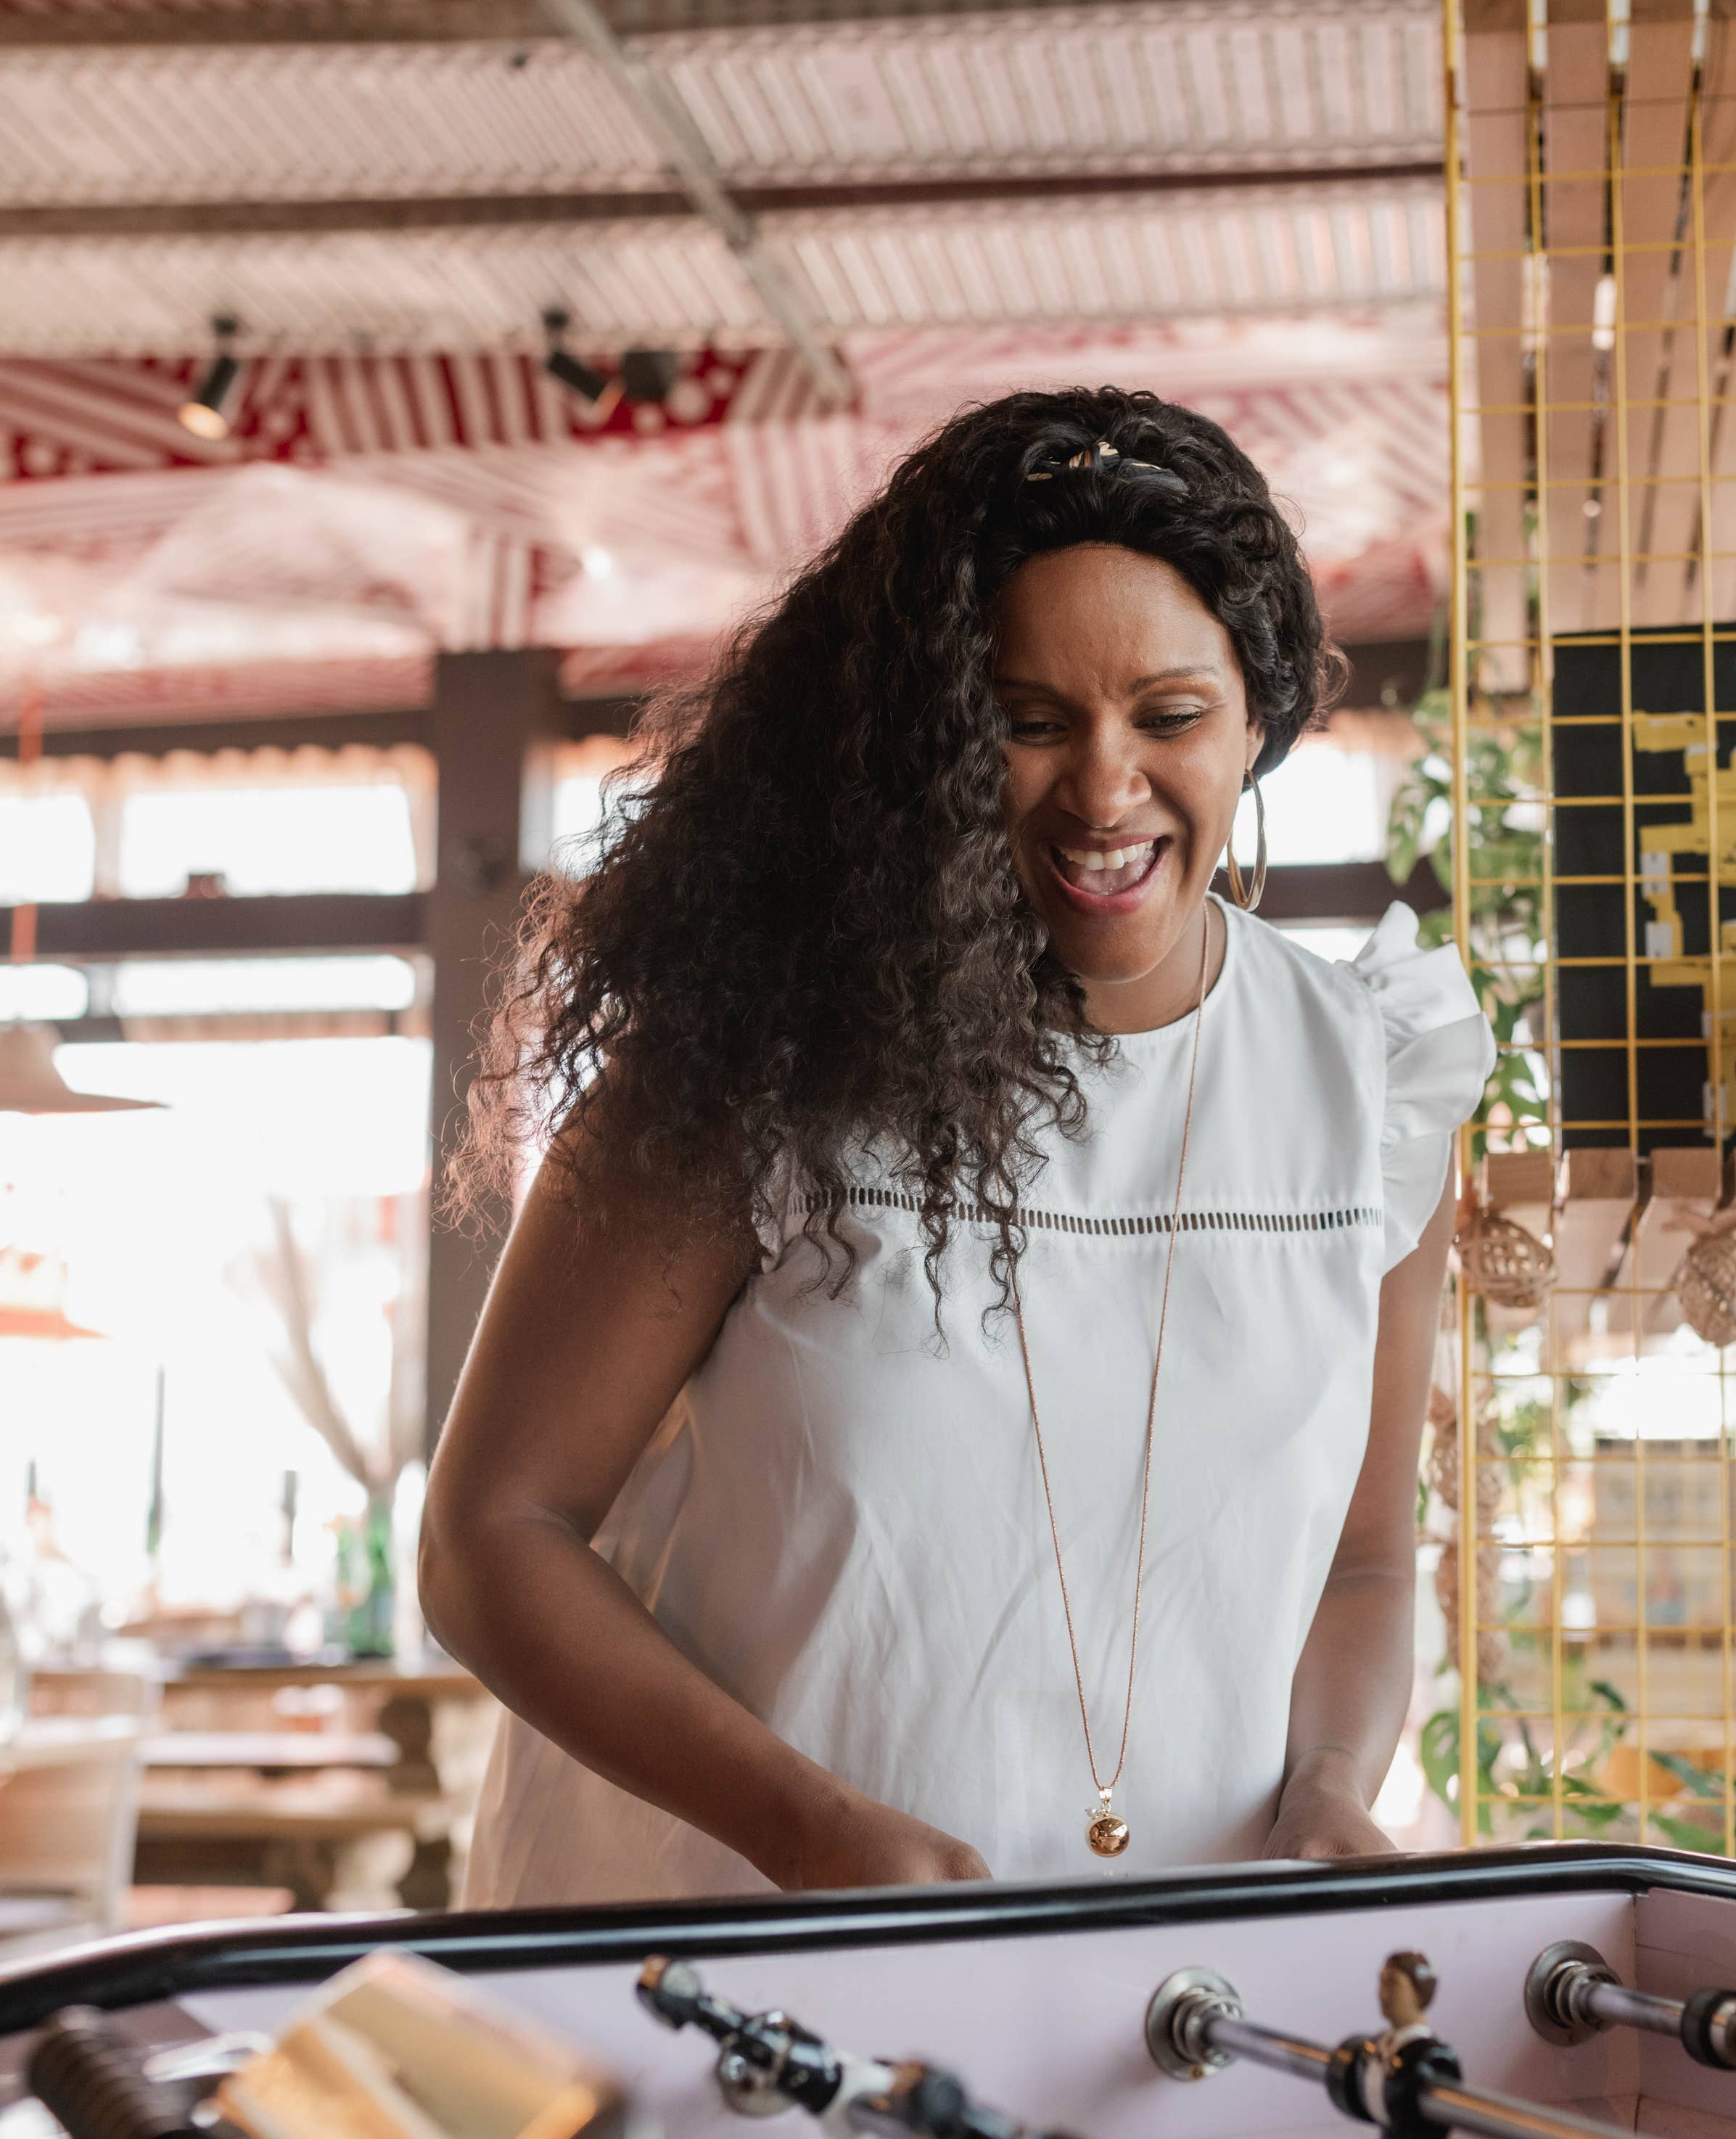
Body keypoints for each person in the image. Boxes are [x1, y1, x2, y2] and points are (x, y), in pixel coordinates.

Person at [422, 388, 1493, 1900]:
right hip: (730, 1957)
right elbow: (492, 1538)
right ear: (932, 742)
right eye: (1027, 722)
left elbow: (1370, 1557)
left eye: (1169, 716)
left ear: (1257, 721)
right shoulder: (759, 1063)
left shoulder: (1373, 1081)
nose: (1106, 789)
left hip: (1163, 1987)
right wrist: (800, 1824)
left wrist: (1330, 1788)